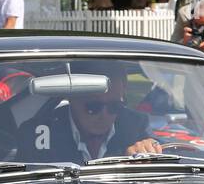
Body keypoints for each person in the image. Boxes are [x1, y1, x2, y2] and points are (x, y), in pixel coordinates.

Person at [15, 63, 161, 164]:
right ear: (72, 98)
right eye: (93, 107)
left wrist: (150, 147)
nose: (104, 115)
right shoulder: (38, 132)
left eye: (115, 106)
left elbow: (160, 153)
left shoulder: (136, 125)